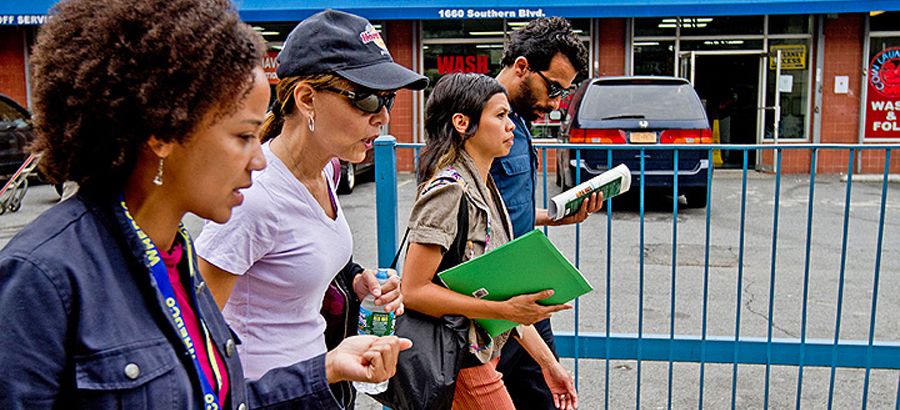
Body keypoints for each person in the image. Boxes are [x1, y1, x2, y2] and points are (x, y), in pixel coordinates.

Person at [0, 1, 410, 408]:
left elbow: (213, 396)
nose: (260, 158)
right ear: (163, 132)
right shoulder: (43, 277)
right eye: (242, 136)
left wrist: (325, 368)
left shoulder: (172, 253)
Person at [193, 9, 425, 405]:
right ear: (306, 98)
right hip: (265, 393)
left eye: (389, 99)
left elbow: (292, 264)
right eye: (367, 98)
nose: (383, 117)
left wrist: (356, 279)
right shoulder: (255, 196)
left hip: (319, 381)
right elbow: (194, 330)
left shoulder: (328, 171)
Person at [402, 73, 578, 410]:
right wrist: (502, 310)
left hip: (482, 353)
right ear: (462, 122)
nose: (511, 125)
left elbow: (502, 299)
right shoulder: (449, 190)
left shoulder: (486, 186)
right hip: (460, 360)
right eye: (500, 116)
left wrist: (549, 364)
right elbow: (414, 289)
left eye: (509, 115)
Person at [489, 17, 604, 410]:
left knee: (548, 398)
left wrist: (555, 216)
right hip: (490, 300)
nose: (555, 103)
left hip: (528, 290)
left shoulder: (517, 120)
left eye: (563, 93)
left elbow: (504, 208)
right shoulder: (476, 118)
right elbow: (464, 213)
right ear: (521, 66)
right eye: (553, 88)